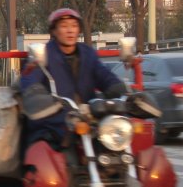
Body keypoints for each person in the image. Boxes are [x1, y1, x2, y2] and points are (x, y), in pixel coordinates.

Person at [19, 8, 129, 148]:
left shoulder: (88, 53)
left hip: (89, 117)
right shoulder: (44, 54)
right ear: (54, 31)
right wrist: (35, 93)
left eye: (74, 25)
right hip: (53, 119)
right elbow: (30, 77)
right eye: (64, 26)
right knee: (43, 154)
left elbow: (104, 75)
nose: (70, 30)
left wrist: (120, 89)